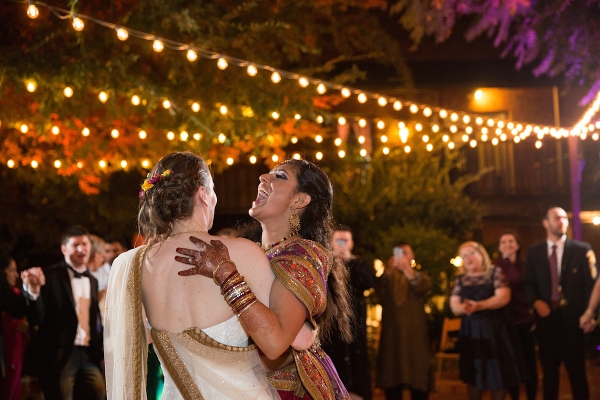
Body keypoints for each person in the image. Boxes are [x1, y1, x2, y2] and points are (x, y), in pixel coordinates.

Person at [104, 151, 280, 399]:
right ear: (202, 195)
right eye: (213, 190)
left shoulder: (132, 264)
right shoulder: (244, 253)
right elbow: (281, 340)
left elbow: (131, 345)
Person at [175, 158, 353, 399]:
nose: (263, 177)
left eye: (280, 176)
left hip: (289, 390)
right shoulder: (252, 252)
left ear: (300, 200)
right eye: (268, 173)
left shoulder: (302, 255)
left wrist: (226, 276)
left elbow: (274, 344)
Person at [524, 207, 597, 400]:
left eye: (565, 217)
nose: (562, 221)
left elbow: (593, 285)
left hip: (574, 320)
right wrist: (536, 301)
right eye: (557, 218)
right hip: (547, 321)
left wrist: (591, 314)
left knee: (577, 371)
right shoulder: (534, 252)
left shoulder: (582, 250)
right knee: (549, 373)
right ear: (545, 223)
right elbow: (529, 283)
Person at [32, 225, 105, 400]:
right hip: (62, 352)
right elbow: (38, 316)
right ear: (64, 249)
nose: (81, 249)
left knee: (100, 392)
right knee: (62, 395)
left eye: (85, 244)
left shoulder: (93, 281)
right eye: (75, 244)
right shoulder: (50, 276)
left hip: (88, 351)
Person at [450, 241, 523, 400]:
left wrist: (479, 306)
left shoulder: (495, 273)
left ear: (481, 254)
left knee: (498, 373)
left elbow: (503, 298)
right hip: (472, 332)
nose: (467, 258)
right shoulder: (461, 279)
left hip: (495, 329)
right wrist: (465, 308)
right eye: (463, 255)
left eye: (470, 253)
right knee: (474, 374)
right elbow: (454, 305)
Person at [322, 225, 374, 400]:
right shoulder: (326, 263)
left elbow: (369, 282)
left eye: (345, 240)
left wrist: (349, 261)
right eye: (338, 240)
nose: (342, 244)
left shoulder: (360, 263)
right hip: (332, 326)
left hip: (355, 325)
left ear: (351, 243)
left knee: (357, 364)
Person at [376, 243, 432, 400]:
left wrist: (407, 269)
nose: (401, 256)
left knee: (418, 378)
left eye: (405, 253)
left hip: (416, 339)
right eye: (398, 253)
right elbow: (378, 291)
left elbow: (423, 287)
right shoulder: (387, 279)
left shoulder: (420, 276)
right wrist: (389, 270)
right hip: (392, 338)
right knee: (391, 375)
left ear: (412, 256)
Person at [492, 232, 537, 400]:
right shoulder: (494, 266)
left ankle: (531, 395)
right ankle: (515, 396)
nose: (507, 244)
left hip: (524, 318)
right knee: (511, 362)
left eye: (511, 241)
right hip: (504, 320)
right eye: (503, 241)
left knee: (529, 361)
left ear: (518, 245)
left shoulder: (526, 265)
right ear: (499, 247)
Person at [0, 256, 44, 400]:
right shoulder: (7, 295)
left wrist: (31, 289)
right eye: (11, 270)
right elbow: (17, 308)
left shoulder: (12, 294)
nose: (16, 274)